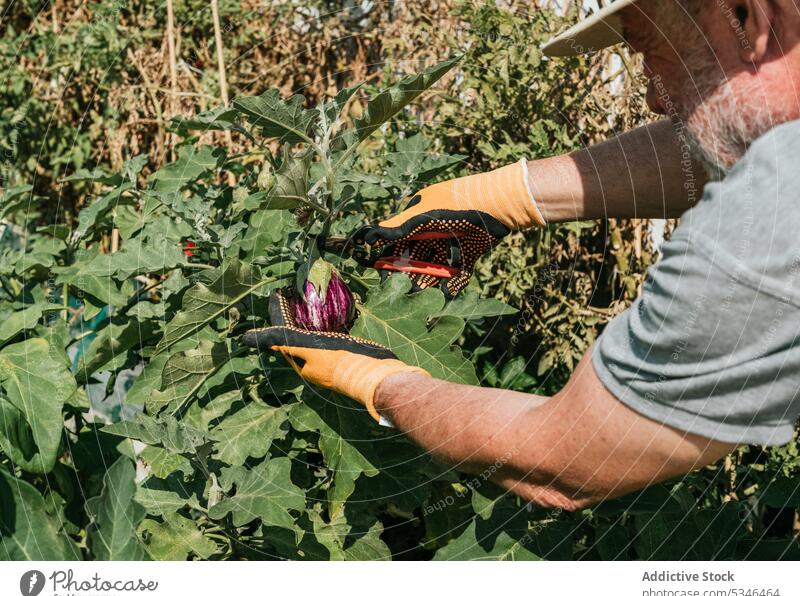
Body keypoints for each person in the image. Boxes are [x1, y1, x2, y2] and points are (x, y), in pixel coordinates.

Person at [244, 0, 800, 510]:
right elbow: (728, 135)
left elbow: (565, 463)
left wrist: (378, 382)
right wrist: (505, 196)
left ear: (744, 14)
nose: (653, 96)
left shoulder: (770, 221)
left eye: (648, 49)